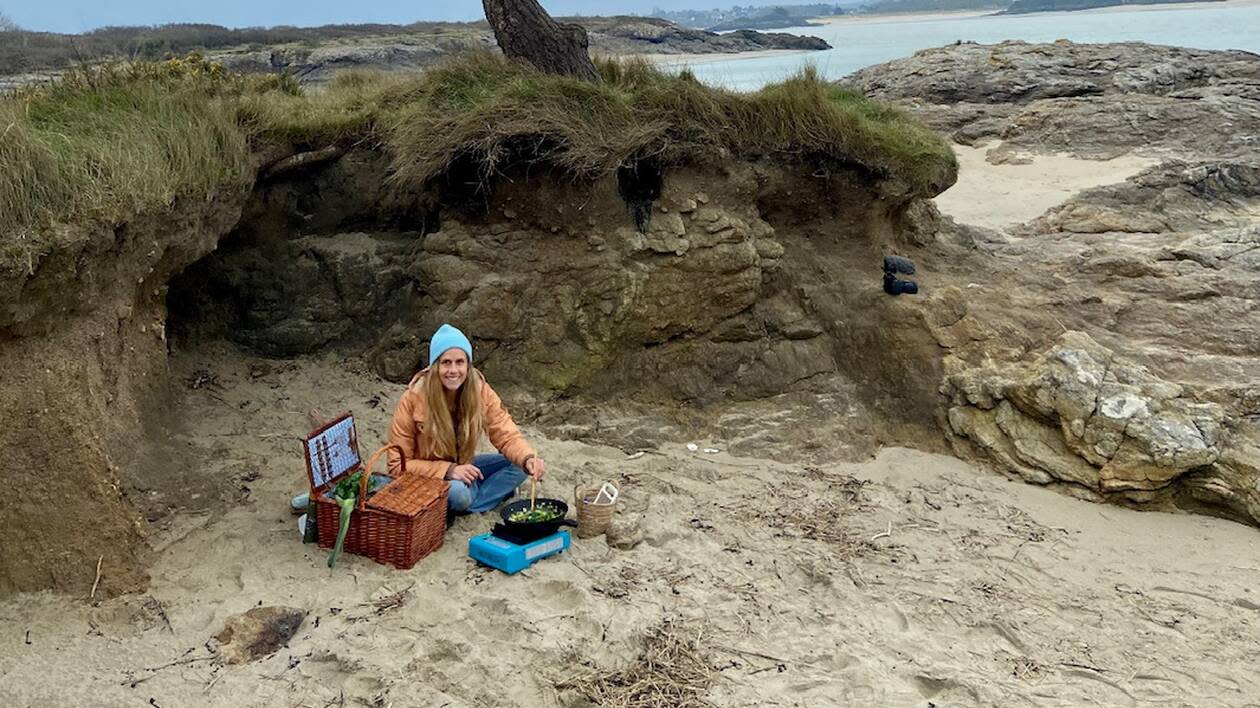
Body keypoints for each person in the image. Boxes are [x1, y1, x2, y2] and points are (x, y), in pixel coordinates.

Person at [387, 323, 546, 514]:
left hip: (465, 465)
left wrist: (528, 458)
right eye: (446, 362)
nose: (453, 370)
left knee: (519, 466)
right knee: (459, 494)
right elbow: (397, 466)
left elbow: (504, 431)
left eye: (460, 362)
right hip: (430, 475)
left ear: (468, 365)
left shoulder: (479, 390)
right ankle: (473, 500)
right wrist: (448, 470)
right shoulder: (413, 398)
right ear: (435, 365)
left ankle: (469, 499)